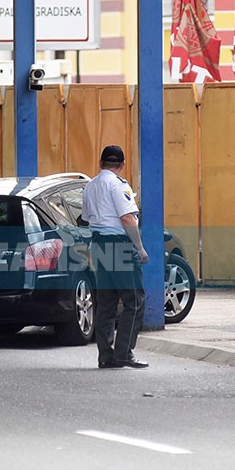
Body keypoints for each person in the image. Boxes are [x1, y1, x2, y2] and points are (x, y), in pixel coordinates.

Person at [81, 145, 150, 369]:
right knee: (134, 300)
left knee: (107, 303)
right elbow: (128, 219)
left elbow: (86, 218)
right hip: (119, 246)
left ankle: (105, 355)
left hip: (99, 246)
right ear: (122, 165)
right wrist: (139, 248)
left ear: (101, 163)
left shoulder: (90, 186)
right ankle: (124, 353)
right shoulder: (119, 186)